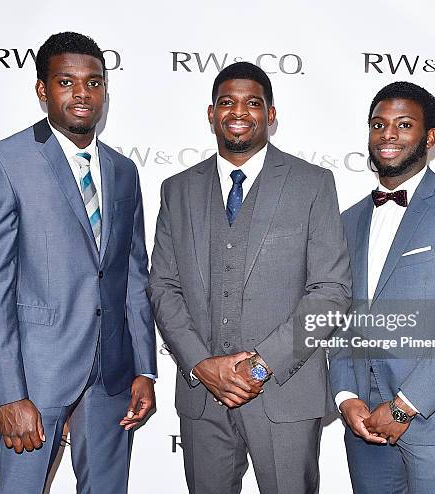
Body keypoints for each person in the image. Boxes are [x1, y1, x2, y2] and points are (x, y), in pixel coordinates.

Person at [148, 61, 351, 494]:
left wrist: (260, 367)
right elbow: (163, 286)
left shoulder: (312, 183)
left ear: (270, 115)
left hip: (285, 394)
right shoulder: (177, 189)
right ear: (211, 113)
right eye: (227, 102)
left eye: (252, 103)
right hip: (203, 398)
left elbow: (330, 292)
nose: (239, 112)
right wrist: (202, 365)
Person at [0, 32, 156, 493]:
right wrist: (10, 394)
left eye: (93, 83)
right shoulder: (5, 161)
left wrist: (144, 369)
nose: (81, 94)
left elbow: (133, 275)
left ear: (105, 92)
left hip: (111, 376)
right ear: (42, 90)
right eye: (66, 82)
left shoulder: (122, 170)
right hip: (37, 376)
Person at [329, 81, 435, 493]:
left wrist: (405, 407)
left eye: (404, 124)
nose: (388, 134)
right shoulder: (348, 221)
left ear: (430, 137)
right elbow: (338, 318)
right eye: (378, 124)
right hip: (364, 423)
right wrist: (346, 395)